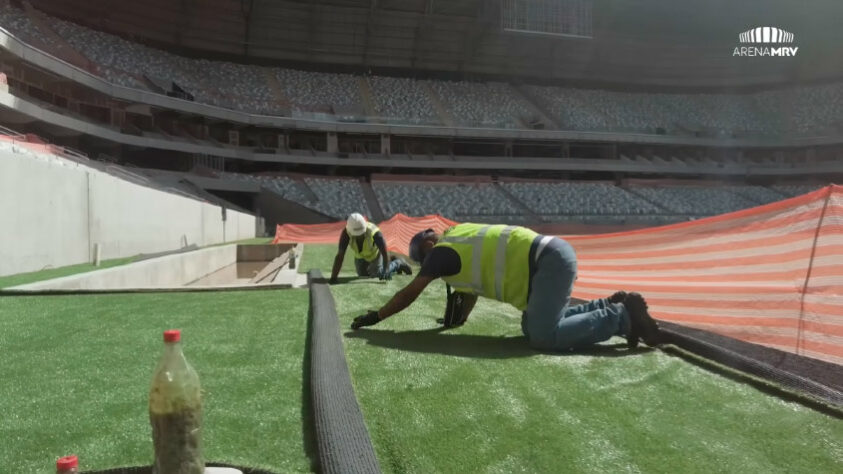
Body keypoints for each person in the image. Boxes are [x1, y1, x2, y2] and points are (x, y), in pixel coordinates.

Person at [350, 223, 660, 352]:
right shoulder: (458, 239)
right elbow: (468, 293)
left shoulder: (441, 252)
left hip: (547, 262)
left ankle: (622, 316)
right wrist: (455, 322)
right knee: (530, 325)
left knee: (542, 336)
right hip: (549, 259)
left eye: (424, 259)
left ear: (429, 245)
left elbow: (408, 294)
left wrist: (377, 317)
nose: (428, 267)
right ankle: (607, 305)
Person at [330, 213, 412, 284]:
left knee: (378, 274)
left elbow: (384, 252)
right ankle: (391, 258)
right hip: (360, 256)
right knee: (363, 276)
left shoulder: (375, 233)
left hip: (375, 254)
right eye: (356, 234)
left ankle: (398, 263)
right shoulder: (346, 234)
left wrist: (386, 270)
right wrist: (334, 278)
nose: (359, 236)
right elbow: (340, 255)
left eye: (361, 233)